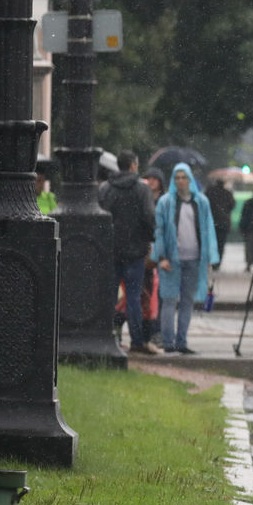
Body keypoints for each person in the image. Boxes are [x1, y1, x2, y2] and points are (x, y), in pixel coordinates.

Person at [152, 162, 219, 354]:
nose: (181, 181)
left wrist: (209, 257)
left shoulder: (202, 202)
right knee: (169, 299)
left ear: (190, 180)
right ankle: (168, 342)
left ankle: (182, 341)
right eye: (177, 177)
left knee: (187, 302)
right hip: (171, 261)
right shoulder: (166, 203)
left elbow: (208, 230)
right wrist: (161, 256)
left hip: (194, 259)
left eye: (184, 177)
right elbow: (159, 230)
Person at [99, 149, 158, 355]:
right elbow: (149, 217)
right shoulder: (142, 190)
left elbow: (100, 217)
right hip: (135, 252)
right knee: (133, 297)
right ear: (133, 165)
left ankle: (105, 336)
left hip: (111, 250)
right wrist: (150, 238)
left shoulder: (106, 188)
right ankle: (137, 340)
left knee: (109, 296)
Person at [140, 167, 166, 348]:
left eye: (154, 179)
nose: (151, 182)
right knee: (146, 292)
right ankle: (147, 330)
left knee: (159, 293)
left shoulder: (164, 202)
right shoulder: (142, 198)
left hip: (159, 249)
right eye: (148, 178)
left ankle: (156, 330)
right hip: (145, 250)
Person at [206, 178, 235, 266]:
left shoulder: (210, 192)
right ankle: (218, 261)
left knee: (212, 242)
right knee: (221, 243)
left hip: (212, 222)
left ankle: (213, 260)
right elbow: (232, 205)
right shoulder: (227, 193)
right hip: (223, 223)